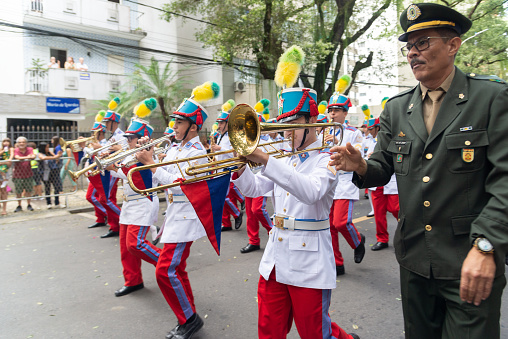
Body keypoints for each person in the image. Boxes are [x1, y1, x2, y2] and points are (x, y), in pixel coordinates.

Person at [330, 3, 508, 338]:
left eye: (423, 43)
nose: (413, 53)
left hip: (468, 260)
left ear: (453, 44)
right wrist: (361, 166)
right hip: (414, 260)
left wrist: (487, 245)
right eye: (409, 46)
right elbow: (383, 167)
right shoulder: (397, 109)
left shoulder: (491, 98)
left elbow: (505, 180)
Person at [233, 46, 359, 339]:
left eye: (292, 123)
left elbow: (312, 191)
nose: (286, 130)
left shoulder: (328, 156)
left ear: (310, 121)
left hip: (309, 261)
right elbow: (256, 188)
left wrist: (265, 159)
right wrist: (238, 171)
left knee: (315, 333)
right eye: (284, 123)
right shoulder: (284, 156)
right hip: (276, 256)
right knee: (269, 330)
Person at [136, 84, 218, 339]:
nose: (173, 126)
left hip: (186, 217)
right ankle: (188, 313)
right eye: (174, 121)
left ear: (193, 126)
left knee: (165, 270)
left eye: (179, 122)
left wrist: (151, 164)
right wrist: (148, 155)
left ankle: (189, 319)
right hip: (173, 215)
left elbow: (181, 186)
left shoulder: (197, 154)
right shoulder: (175, 148)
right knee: (177, 269)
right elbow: (163, 177)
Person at [107, 116, 161, 297]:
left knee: (135, 244)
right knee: (125, 247)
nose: (127, 140)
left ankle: (165, 261)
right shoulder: (129, 154)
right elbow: (119, 173)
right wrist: (108, 166)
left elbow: (130, 174)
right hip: (130, 203)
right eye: (128, 137)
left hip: (143, 201)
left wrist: (112, 167)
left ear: (142, 138)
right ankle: (133, 280)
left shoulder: (145, 155)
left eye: (131, 138)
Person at [324, 91, 365, 276]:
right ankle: (337, 262)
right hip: (328, 182)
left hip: (346, 182)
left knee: (341, 222)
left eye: (337, 110)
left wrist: (337, 141)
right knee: (329, 225)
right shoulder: (323, 131)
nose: (332, 113)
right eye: (330, 110)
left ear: (345, 113)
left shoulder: (353, 133)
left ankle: (358, 241)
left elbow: (358, 156)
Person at [364, 117, 399, 251]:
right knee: (379, 213)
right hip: (377, 181)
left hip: (391, 180)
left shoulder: (394, 137)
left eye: (371, 129)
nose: (369, 131)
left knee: (396, 209)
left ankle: (406, 235)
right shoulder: (371, 141)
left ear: (378, 128)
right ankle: (382, 239)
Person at [211, 100, 243, 232]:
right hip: (220, 167)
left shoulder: (231, 136)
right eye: (218, 123)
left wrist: (219, 148)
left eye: (221, 123)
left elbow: (233, 154)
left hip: (228, 168)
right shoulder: (220, 136)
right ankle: (226, 223)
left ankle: (236, 213)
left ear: (227, 124)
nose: (219, 125)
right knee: (221, 198)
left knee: (222, 196)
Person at [97, 101, 125, 238]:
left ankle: (123, 219)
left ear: (114, 122)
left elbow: (125, 152)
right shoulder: (112, 136)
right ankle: (115, 226)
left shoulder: (121, 136)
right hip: (108, 169)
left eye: (107, 122)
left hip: (114, 170)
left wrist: (115, 151)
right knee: (108, 198)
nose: (105, 125)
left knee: (106, 199)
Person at [84, 122, 109, 230]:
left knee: (95, 197)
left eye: (94, 133)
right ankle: (100, 218)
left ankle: (107, 214)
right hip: (94, 172)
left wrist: (97, 148)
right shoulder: (95, 143)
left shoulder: (105, 143)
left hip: (101, 173)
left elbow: (105, 156)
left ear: (100, 133)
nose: (92, 135)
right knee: (92, 197)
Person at [12, 136, 35, 212]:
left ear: (26, 143)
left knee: (28, 190)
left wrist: (27, 157)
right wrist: (27, 157)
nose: (21, 143)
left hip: (28, 173)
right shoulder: (15, 150)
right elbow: (17, 157)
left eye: (23, 142)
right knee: (18, 191)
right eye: (20, 142)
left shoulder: (30, 149)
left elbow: (33, 156)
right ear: (17, 143)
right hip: (18, 174)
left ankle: (29, 204)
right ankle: (19, 205)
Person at [37, 142, 63, 209]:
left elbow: (56, 158)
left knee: (56, 187)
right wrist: (54, 157)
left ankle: (57, 202)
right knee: (47, 188)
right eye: (46, 147)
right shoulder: (39, 154)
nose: (48, 149)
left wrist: (58, 155)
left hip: (54, 172)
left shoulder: (50, 152)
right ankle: (49, 203)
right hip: (46, 173)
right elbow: (43, 158)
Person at [0, 138, 14, 215]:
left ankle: (4, 209)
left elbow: (11, 156)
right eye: (4, 142)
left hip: (4, 169)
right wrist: (3, 151)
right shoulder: (1, 150)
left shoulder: (11, 149)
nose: (6, 143)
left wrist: (10, 159)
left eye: (7, 142)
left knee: (3, 190)